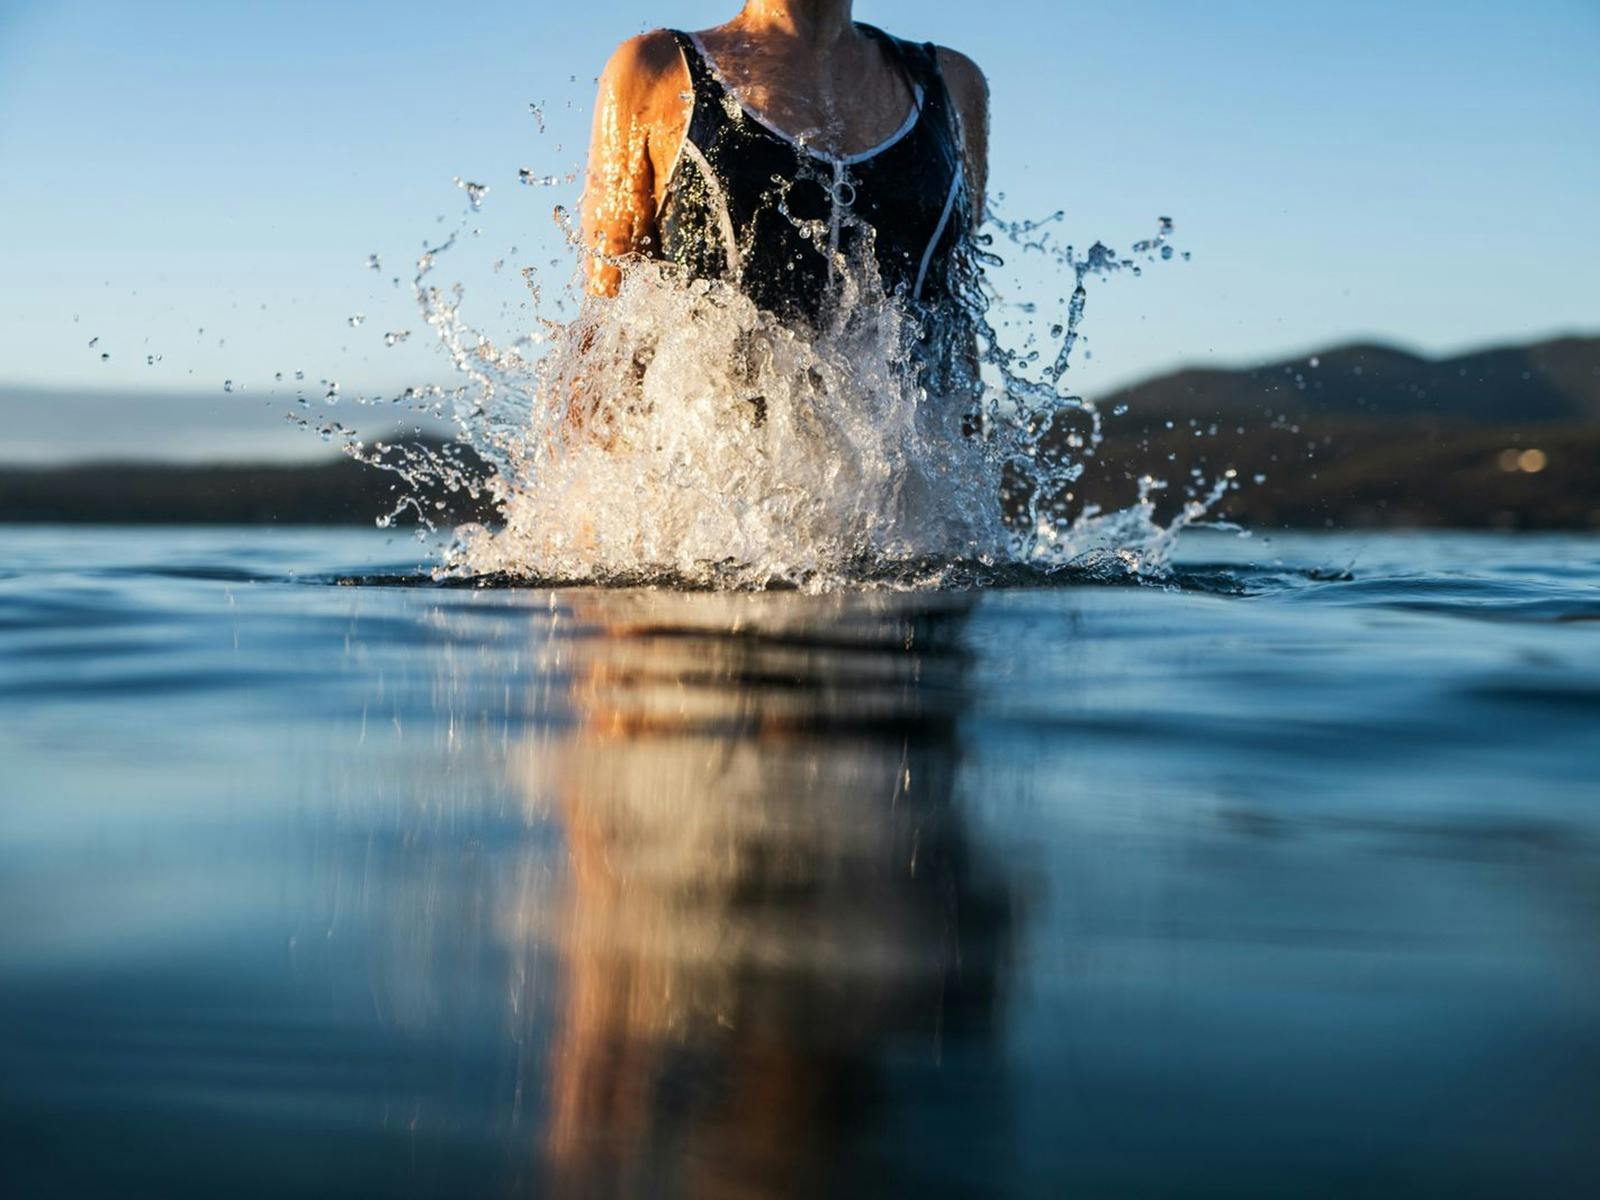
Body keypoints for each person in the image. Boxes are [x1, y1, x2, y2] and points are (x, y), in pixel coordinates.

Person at [579, 0, 989, 327]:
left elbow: (956, 323)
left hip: (910, 432)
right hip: (708, 429)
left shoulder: (952, 85)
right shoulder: (659, 70)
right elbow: (607, 322)